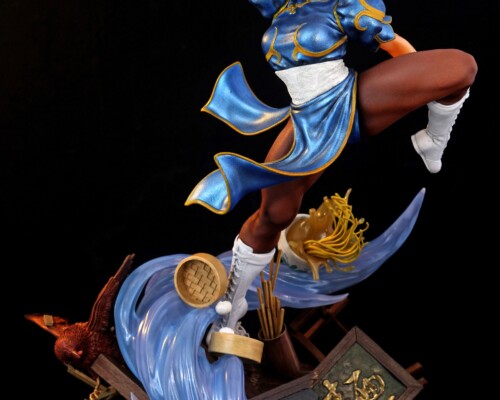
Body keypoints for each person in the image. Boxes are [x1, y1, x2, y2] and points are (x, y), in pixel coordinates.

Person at [185, 0, 477, 339]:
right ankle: (229, 312)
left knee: (460, 67)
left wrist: (418, 86)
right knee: (273, 215)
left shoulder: (342, 5)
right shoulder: (283, 10)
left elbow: (398, 48)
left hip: (348, 100)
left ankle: (434, 140)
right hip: (304, 120)